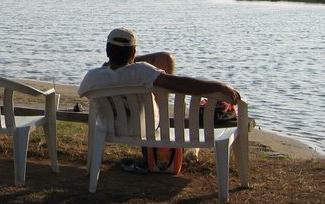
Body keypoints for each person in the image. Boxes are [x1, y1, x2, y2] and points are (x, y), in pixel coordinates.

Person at [78, 27, 242, 173]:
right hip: (147, 130)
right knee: (164, 65)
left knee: (163, 58)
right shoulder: (142, 72)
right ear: (134, 54)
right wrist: (219, 86)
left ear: (107, 52)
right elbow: (181, 84)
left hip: (109, 129)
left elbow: (94, 82)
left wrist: (119, 63)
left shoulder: (92, 77)